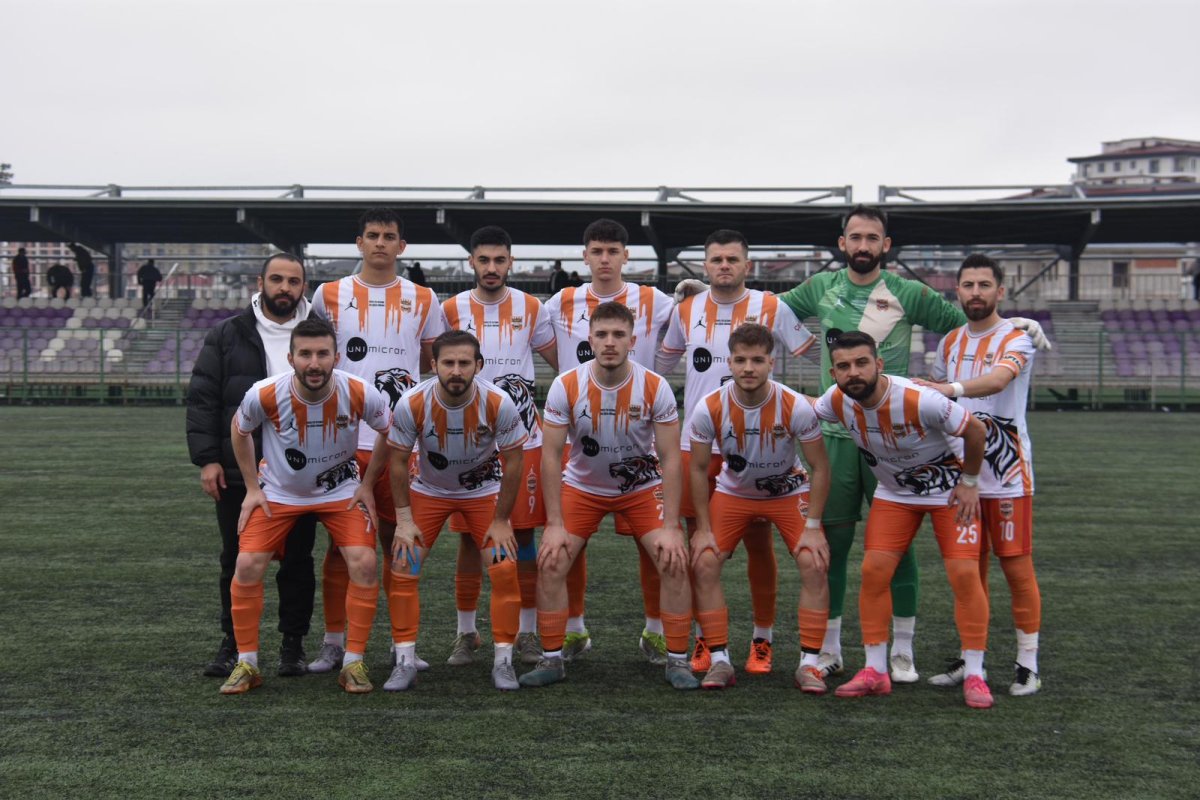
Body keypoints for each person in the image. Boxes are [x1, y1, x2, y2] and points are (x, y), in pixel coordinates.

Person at [777, 204, 1048, 685]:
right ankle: (830, 650)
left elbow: (971, 319)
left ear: (886, 245)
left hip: (907, 445)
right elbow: (767, 310)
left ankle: (902, 652)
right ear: (842, 244)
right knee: (833, 548)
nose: (863, 245)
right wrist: (704, 297)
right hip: (838, 435)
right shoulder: (820, 287)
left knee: (900, 551)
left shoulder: (908, 293)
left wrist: (1017, 324)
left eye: (872, 238)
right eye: (855, 237)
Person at [657, 229, 817, 675]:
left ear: (747, 265)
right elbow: (659, 364)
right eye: (716, 259)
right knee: (700, 545)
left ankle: (762, 640)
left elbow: (814, 355)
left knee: (760, 545)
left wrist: (830, 400)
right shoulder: (686, 309)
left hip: (760, 443)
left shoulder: (772, 306)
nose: (724, 266)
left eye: (732, 259)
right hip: (698, 444)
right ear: (705, 266)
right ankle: (706, 639)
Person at [520, 301, 699, 690]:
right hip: (583, 488)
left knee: (673, 559)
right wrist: (553, 523)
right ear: (590, 340)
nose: (610, 342)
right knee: (551, 559)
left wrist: (672, 525)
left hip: (641, 487)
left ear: (633, 341)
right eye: (602, 334)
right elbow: (550, 456)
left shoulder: (655, 386)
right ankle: (552, 659)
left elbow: (671, 458)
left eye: (619, 335)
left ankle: (677, 660)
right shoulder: (567, 384)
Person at [813, 331, 994, 709]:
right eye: (844, 366)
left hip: (949, 492)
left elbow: (976, 431)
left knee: (964, 574)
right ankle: (876, 670)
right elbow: (803, 410)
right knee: (874, 571)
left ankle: (976, 673)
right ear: (833, 373)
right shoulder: (836, 400)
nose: (853, 372)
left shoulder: (919, 398)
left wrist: (970, 482)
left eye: (862, 363)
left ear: (878, 364)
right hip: (896, 494)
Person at [307, 208, 445, 674]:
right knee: (340, 546)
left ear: (401, 246)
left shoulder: (423, 297)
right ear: (359, 242)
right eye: (372, 235)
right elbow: (315, 354)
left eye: (389, 236)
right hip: (342, 440)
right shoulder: (328, 294)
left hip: (400, 443)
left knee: (399, 539)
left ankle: (401, 642)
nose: (380, 242)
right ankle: (333, 642)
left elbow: (429, 360)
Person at [221, 318, 390, 695]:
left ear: (337, 357)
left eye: (322, 354)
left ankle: (353, 663)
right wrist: (252, 488)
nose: (314, 363)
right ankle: (247, 663)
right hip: (280, 492)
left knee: (364, 562)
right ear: (291, 358)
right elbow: (239, 430)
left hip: (340, 491)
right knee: (246, 564)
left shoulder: (360, 391)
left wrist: (366, 485)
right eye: (305, 354)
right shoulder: (264, 393)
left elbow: (388, 432)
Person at [542, 219, 675, 663]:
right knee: (569, 548)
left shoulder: (654, 299)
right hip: (584, 441)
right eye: (596, 251)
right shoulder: (562, 301)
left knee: (654, 549)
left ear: (625, 256)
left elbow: (689, 324)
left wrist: (695, 290)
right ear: (585, 256)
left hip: (639, 446)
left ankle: (657, 631)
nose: (604, 259)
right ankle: (573, 630)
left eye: (612, 251)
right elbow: (540, 341)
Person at [186, 253, 318, 678]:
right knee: (236, 558)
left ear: (303, 286)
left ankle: (293, 645)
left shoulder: (320, 332)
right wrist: (208, 459)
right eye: (276, 279)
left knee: (297, 560)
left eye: (293, 281)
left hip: (300, 470)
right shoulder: (228, 333)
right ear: (260, 283)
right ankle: (233, 643)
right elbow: (204, 397)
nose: (285, 288)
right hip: (240, 467)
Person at [916, 254, 1043, 696]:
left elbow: (997, 381)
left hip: (1007, 476)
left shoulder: (1018, 337)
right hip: (961, 477)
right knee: (968, 572)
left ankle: (1028, 664)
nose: (975, 292)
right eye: (968, 285)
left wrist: (949, 389)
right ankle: (973, 661)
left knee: (1016, 567)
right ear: (957, 290)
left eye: (984, 285)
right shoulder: (949, 342)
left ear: (1000, 291)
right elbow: (934, 398)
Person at [378, 330, 528, 691]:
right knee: (403, 565)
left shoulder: (499, 402)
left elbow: (514, 462)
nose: (456, 371)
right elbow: (397, 462)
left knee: (505, 569)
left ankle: (504, 661)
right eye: (448, 363)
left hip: (483, 492)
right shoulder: (412, 402)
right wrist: (404, 520)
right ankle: (404, 660)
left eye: (464, 363)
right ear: (433, 365)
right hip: (429, 491)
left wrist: (501, 520)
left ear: (479, 365)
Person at [688, 324, 832, 692]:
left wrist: (813, 527)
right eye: (740, 360)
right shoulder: (710, 406)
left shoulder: (795, 405)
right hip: (734, 493)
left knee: (814, 561)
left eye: (756, 360)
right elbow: (699, 469)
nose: (748, 368)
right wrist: (702, 528)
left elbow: (820, 467)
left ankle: (808, 665)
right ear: (729, 363)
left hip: (787, 492)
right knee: (704, 560)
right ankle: (719, 660)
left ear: (771, 362)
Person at [441, 226, 558, 667]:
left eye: (499, 260)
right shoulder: (450, 309)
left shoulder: (532, 307)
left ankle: (526, 632)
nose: (492, 268)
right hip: (467, 441)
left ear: (511, 263)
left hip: (521, 439)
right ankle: (466, 633)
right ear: (471, 262)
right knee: (471, 541)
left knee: (522, 534)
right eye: (484, 260)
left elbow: (562, 363)